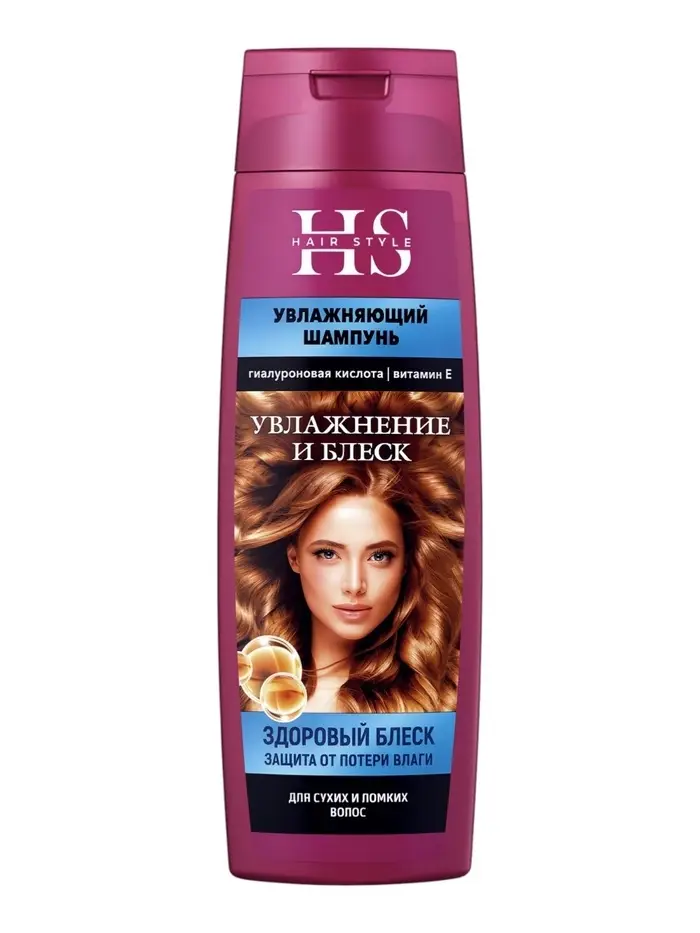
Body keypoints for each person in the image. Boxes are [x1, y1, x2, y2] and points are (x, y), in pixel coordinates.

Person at [234, 391, 464, 713]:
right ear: (294, 557)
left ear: (406, 563)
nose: (355, 584)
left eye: (379, 556)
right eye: (328, 554)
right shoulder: (245, 693)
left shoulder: (444, 697)